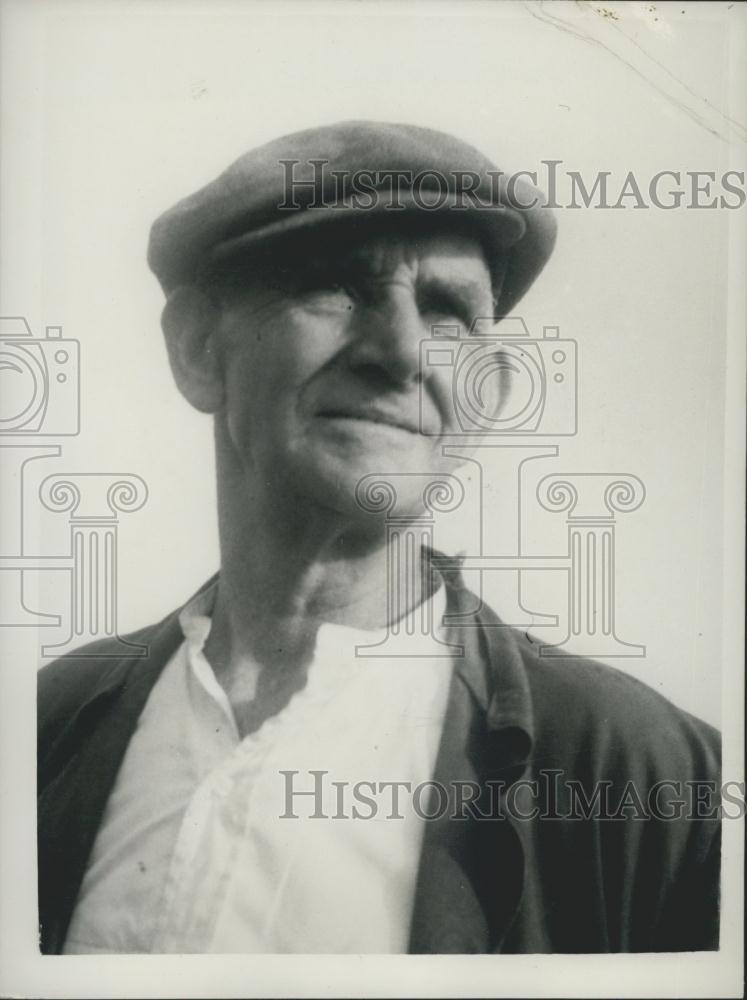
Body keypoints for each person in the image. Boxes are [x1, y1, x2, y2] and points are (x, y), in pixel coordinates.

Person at [37, 121, 721, 955]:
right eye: (333, 287)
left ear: (489, 392)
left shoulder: (649, 779)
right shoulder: (43, 730)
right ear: (196, 349)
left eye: (448, 311)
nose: (400, 352)